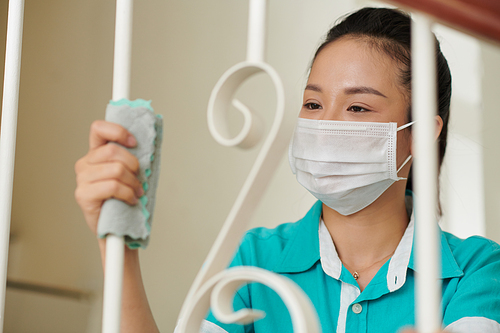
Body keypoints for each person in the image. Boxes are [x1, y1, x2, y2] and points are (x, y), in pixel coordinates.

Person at [75, 7, 500, 333]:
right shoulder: (257, 259)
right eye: (313, 104)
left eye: (357, 107)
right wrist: (117, 246)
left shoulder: (479, 270)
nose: (325, 125)